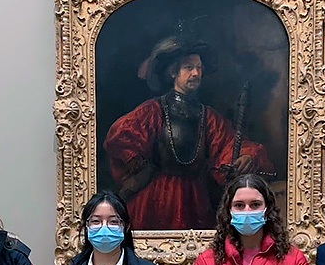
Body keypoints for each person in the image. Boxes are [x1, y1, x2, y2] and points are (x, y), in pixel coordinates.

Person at [103, 35, 274, 230]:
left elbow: (228, 143)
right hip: (157, 197)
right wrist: (138, 163)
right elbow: (120, 135)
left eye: (199, 68)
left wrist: (245, 156)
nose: (196, 73)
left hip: (194, 199)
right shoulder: (153, 110)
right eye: (189, 67)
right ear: (173, 72)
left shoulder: (207, 116)